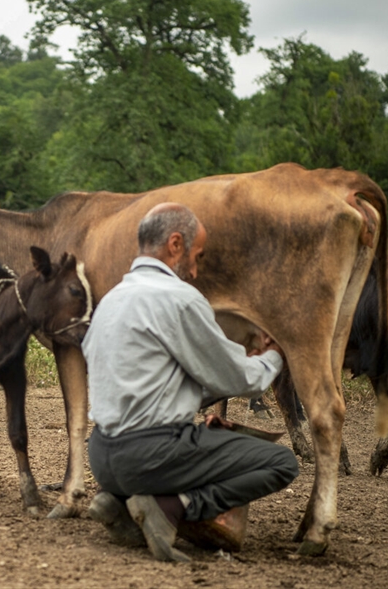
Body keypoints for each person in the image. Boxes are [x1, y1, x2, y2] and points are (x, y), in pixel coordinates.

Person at [82, 203, 299, 562]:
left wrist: (187, 402)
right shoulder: (179, 299)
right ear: (175, 244)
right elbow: (242, 378)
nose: (196, 271)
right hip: (149, 456)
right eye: (197, 256)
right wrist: (274, 355)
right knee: (280, 464)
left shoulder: (111, 300)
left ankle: (119, 501)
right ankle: (172, 507)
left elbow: (140, 383)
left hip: (103, 456)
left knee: (196, 444)